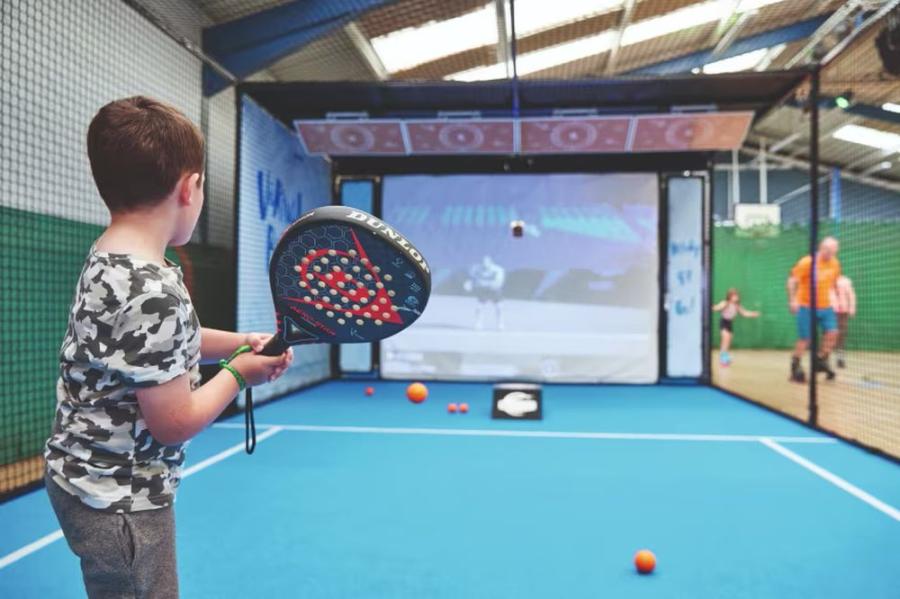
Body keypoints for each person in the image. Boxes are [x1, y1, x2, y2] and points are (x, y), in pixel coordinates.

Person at [44, 97, 293, 599]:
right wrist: (239, 373)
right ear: (190, 188)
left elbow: (160, 347)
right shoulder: (153, 290)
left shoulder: (110, 259)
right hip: (122, 501)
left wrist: (242, 342)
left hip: (80, 480)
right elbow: (173, 421)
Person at [786, 236, 841, 383]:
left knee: (833, 333)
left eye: (834, 252)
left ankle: (821, 360)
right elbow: (792, 280)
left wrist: (837, 299)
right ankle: (795, 365)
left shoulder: (835, 264)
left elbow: (834, 283)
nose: (831, 255)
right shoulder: (807, 262)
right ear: (822, 248)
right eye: (828, 251)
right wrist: (793, 300)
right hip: (806, 306)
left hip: (826, 306)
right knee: (805, 339)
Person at [711, 288, 760, 365]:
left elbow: (744, 313)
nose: (736, 297)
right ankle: (722, 359)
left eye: (737, 295)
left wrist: (753, 314)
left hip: (730, 323)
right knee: (725, 339)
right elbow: (717, 307)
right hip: (724, 322)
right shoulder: (725, 303)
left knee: (728, 341)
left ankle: (725, 356)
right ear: (730, 296)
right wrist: (713, 307)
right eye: (734, 295)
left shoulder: (737, 306)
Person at [465, 255, 506, 330]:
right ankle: (478, 324)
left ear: (490, 263)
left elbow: (498, 283)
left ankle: (500, 324)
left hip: (494, 290)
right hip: (483, 290)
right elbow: (471, 277)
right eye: (483, 263)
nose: (484, 265)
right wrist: (469, 283)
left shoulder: (498, 270)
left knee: (499, 307)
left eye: (486, 263)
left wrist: (481, 283)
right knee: (479, 307)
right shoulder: (476, 268)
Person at [831, 274, 856, 368]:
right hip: (830, 312)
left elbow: (851, 295)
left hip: (843, 313)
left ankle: (840, 358)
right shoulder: (828, 281)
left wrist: (852, 308)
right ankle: (824, 358)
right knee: (830, 335)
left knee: (841, 335)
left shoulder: (845, 281)